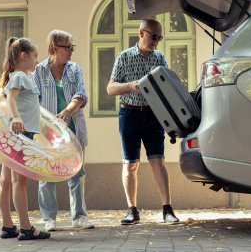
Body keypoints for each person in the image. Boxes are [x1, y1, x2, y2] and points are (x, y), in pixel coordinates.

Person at [107, 19, 179, 225]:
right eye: (154, 36)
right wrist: (130, 86)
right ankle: (132, 211)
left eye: (160, 37)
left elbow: (167, 85)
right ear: (141, 33)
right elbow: (110, 88)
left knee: (158, 162)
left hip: (154, 115)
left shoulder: (160, 58)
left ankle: (167, 209)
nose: (157, 41)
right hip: (129, 114)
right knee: (130, 164)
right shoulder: (124, 57)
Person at [33, 29, 93, 231]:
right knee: (47, 173)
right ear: (53, 48)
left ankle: (79, 216)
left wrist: (67, 112)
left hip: (73, 128)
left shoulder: (74, 69)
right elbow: (33, 100)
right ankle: (49, 218)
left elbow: (81, 95)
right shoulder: (39, 71)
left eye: (72, 47)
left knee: (77, 172)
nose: (71, 51)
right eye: (67, 47)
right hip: (47, 131)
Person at [0, 37, 50, 240]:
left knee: (6, 181)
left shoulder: (17, 75)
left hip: (13, 132)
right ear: (23, 55)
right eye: (35, 56)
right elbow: (11, 98)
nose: (37, 60)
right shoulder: (20, 75)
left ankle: (8, 226)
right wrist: (17, 117)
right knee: (19, 181)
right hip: (21, 131)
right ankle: (26, 227)